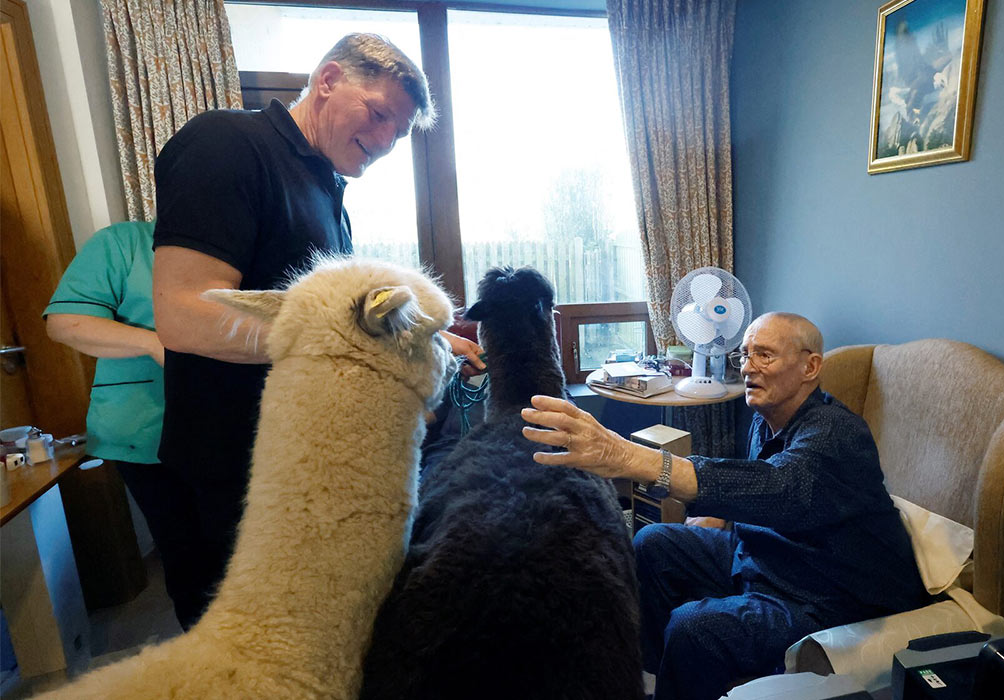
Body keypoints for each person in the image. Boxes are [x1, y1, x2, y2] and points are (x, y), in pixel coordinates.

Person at [151, 33, 481, 629]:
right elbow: (181, 313)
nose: (386, 141)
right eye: (378, 114)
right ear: (327, 81)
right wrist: (363, 347)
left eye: (399, 132)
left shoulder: (327, 190)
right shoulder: (227, 144)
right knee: (245, 650)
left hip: (299, 465)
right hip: (234, 469)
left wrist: (420, 338)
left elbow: (331, 318)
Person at [521, 312, 928, 700]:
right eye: (744, 354)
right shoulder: (767, 417)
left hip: (824, 594)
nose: (748, 367)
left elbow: (784, 487)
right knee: (652, 542)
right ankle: (662, 675)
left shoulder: (837, 435)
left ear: (810, 367)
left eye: (764, 355)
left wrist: (627, 456)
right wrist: (724, 511)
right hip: (767, 555)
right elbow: (759, 483)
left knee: (694, 627)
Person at [43, 221, 184, 599]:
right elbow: (65, 323)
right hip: (146, 430)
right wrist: (153, 344)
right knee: (187, 556)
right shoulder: (123, 243)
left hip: (246, 426)